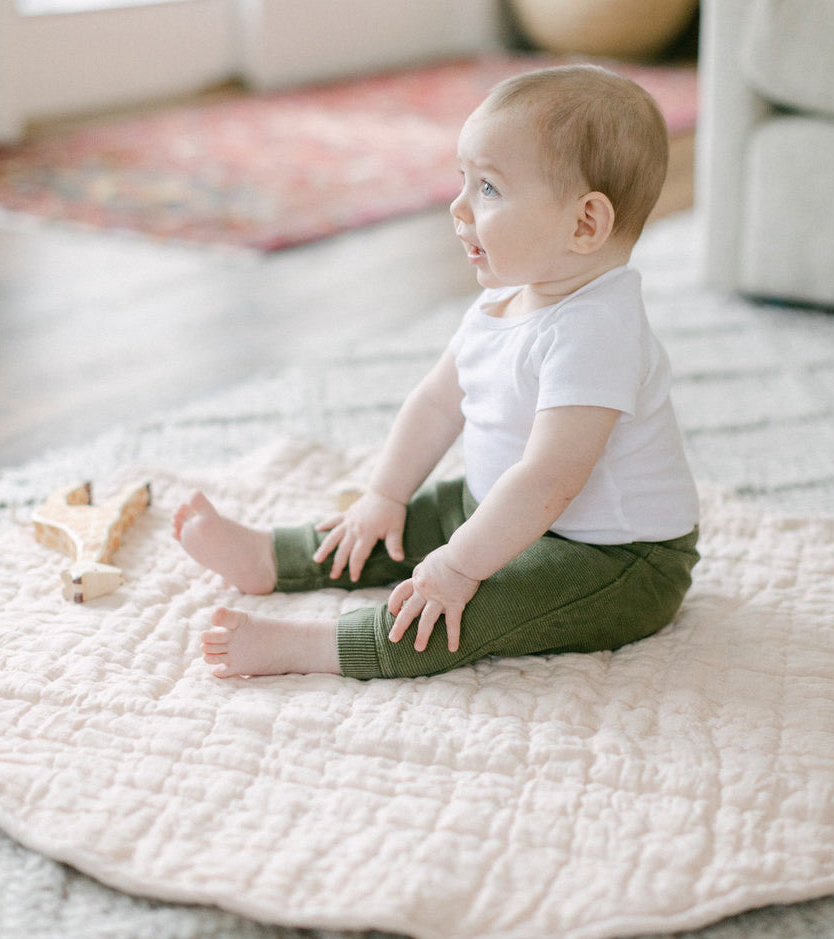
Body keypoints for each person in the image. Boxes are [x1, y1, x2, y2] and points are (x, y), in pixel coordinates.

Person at [173, 64, 700, 681]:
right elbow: (437, 403)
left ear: (584, 224)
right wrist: (383, 496)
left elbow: (548, 478)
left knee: (458, 607)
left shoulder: (598, 332)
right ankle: (274, 557)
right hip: (502, 507)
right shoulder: (503, 300)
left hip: (613, 558)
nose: (458, 206)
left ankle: (315, 647)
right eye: (464, 180)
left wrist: (457, 567)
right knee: (411, 521)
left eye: (489, 188)